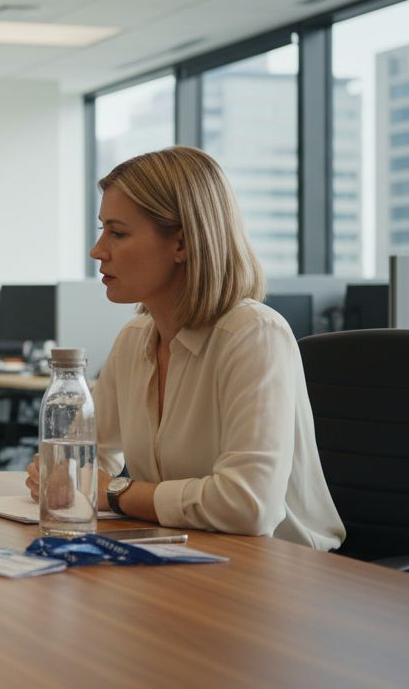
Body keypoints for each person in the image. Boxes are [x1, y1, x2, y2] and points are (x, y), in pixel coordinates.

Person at [28, 146, 344, 550]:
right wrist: (62, 477)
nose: (97, 251)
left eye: (118, 232)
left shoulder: (254, 336)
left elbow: (248, 506)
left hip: (280, 570)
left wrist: (113, 492)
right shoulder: (134, 339)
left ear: (182, 244)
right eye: (101, 229)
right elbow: (84, 465)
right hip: (181, 551)